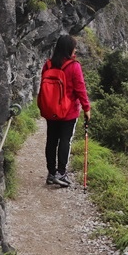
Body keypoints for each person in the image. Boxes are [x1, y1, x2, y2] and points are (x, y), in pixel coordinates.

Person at [43, 34, 91, 187]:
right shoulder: (73, 66)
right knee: (65, 140)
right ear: (69, 49)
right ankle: (61, 173)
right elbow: (80, 89)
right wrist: (86, 108)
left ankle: (51, 173)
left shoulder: (49, 64)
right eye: (74, 47)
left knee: (51, 140)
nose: (75, 50)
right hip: (68, 111)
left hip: (50, 109)